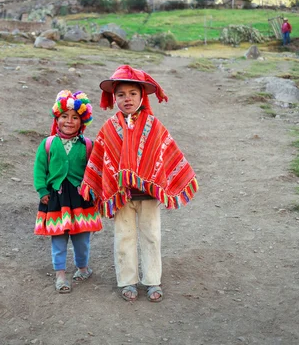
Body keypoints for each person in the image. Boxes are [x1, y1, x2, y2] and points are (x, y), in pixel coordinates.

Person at [80, 65, 198, 302]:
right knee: (124, 236)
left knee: (151, 236)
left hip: (148, 195)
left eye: (132, 93)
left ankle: (153, 280)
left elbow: (166, 152)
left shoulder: (154, 125)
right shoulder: (109, 128)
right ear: (114, 97)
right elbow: (101, 158)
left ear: (141, 96)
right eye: (121, 94)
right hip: (121, 195)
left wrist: (169, 179)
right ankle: (127, 281)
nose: (127, 99)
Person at [34, 90, 103, 293]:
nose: (69, 121)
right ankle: (61, 275)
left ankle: (83, 267)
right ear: (57, 118)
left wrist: (94, 190)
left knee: (82, 239)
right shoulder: (47, 144)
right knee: (59, 237)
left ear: (82, 122)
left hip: (82, 199)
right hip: (56, 197)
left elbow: (95, 169)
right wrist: (42, 190)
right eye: (64, 116)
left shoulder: (88, 145)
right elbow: (40, 169)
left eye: (75, 117)